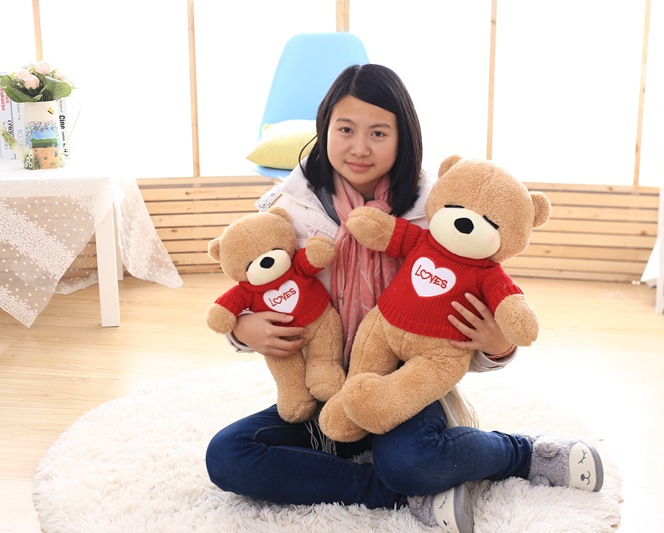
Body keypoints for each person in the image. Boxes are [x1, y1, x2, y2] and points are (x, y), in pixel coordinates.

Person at [205, 63, 603, 532]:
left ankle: (522, 453)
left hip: (405, 385)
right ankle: (398, 492)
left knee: (412, 460)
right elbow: (248, 286)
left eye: (378, 133)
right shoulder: (288, 209)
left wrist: (498, 346)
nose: (359, 147)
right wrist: (243, 330)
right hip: (323, 386)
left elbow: (469, 320)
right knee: (228, 456)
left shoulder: (438, 210)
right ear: (324, 128)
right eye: (345, 129)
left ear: (404, 138)